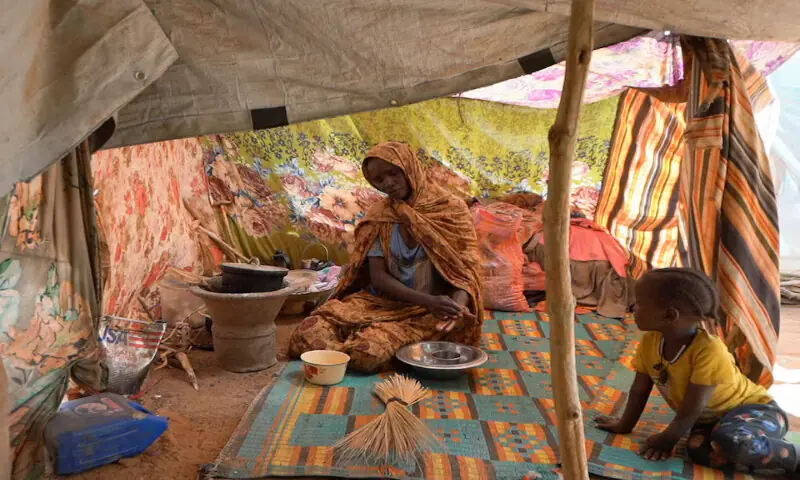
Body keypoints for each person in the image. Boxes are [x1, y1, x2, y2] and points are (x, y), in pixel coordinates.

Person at [288, 142, 483, 373]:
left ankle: (361, 346)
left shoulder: (451, 210)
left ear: (409, 167)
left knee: (367, 354)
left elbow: (466, 274)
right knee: (307, 332)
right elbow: (378, 277)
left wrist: (454, 308)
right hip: (380, 302)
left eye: (393, 173)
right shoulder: (381, 216)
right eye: (379, 180)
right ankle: (370, 344)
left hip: (427, 313)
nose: (388, 183)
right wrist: (427, 301)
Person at [595, 268, 799, 473]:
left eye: (639, 303)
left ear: (668, 315)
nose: (632, 307)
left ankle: (793, 456)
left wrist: (668, 439)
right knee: (696, 450)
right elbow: (640, 390)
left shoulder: (708, 350)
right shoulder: (650, 342)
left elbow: (692, 408)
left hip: (757, 411)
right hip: (711, 420)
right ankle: (759, 454)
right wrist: (625, 425)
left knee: (731, 440)